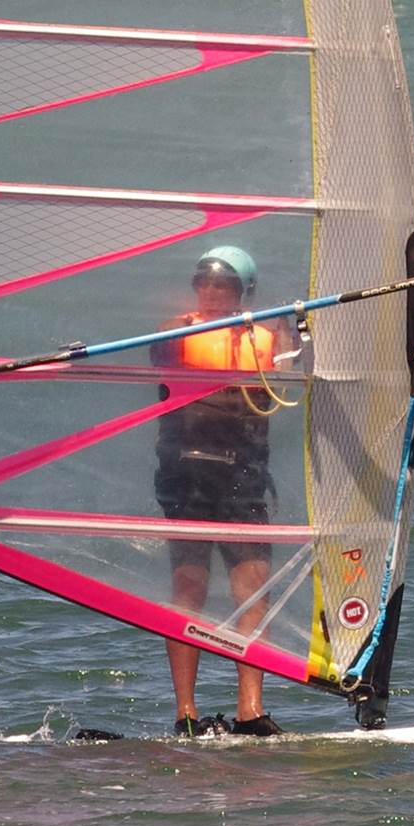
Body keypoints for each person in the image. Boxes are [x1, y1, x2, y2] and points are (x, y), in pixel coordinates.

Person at [151, 245, 300, 738]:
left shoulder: (265, 336)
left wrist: (290, 327)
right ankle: (186, 714)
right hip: (186, 478)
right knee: (188, 588)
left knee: (252, 587)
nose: (212, 292)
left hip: (243, 477)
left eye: (224, 285)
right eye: (205, 283)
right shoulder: (176, 333)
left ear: (243, 293)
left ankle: (250, 710)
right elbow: (163, 353)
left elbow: (292, 370)